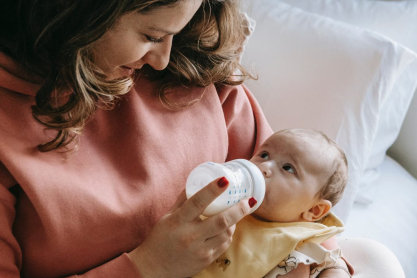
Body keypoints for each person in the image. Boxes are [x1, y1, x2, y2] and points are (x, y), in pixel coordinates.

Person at [0, 0, 404, 277]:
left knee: (373, 257)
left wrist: (329, 264)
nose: (161, 59)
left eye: (178, 31)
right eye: (152, 35)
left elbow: (302, 207)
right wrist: (149, 267)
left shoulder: (187, 69)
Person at [194, 128, 352, 278]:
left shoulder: (294, 252)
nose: (264, 166)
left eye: (288, 168)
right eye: (264, 155)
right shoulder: (228, 200)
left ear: (314, 211)